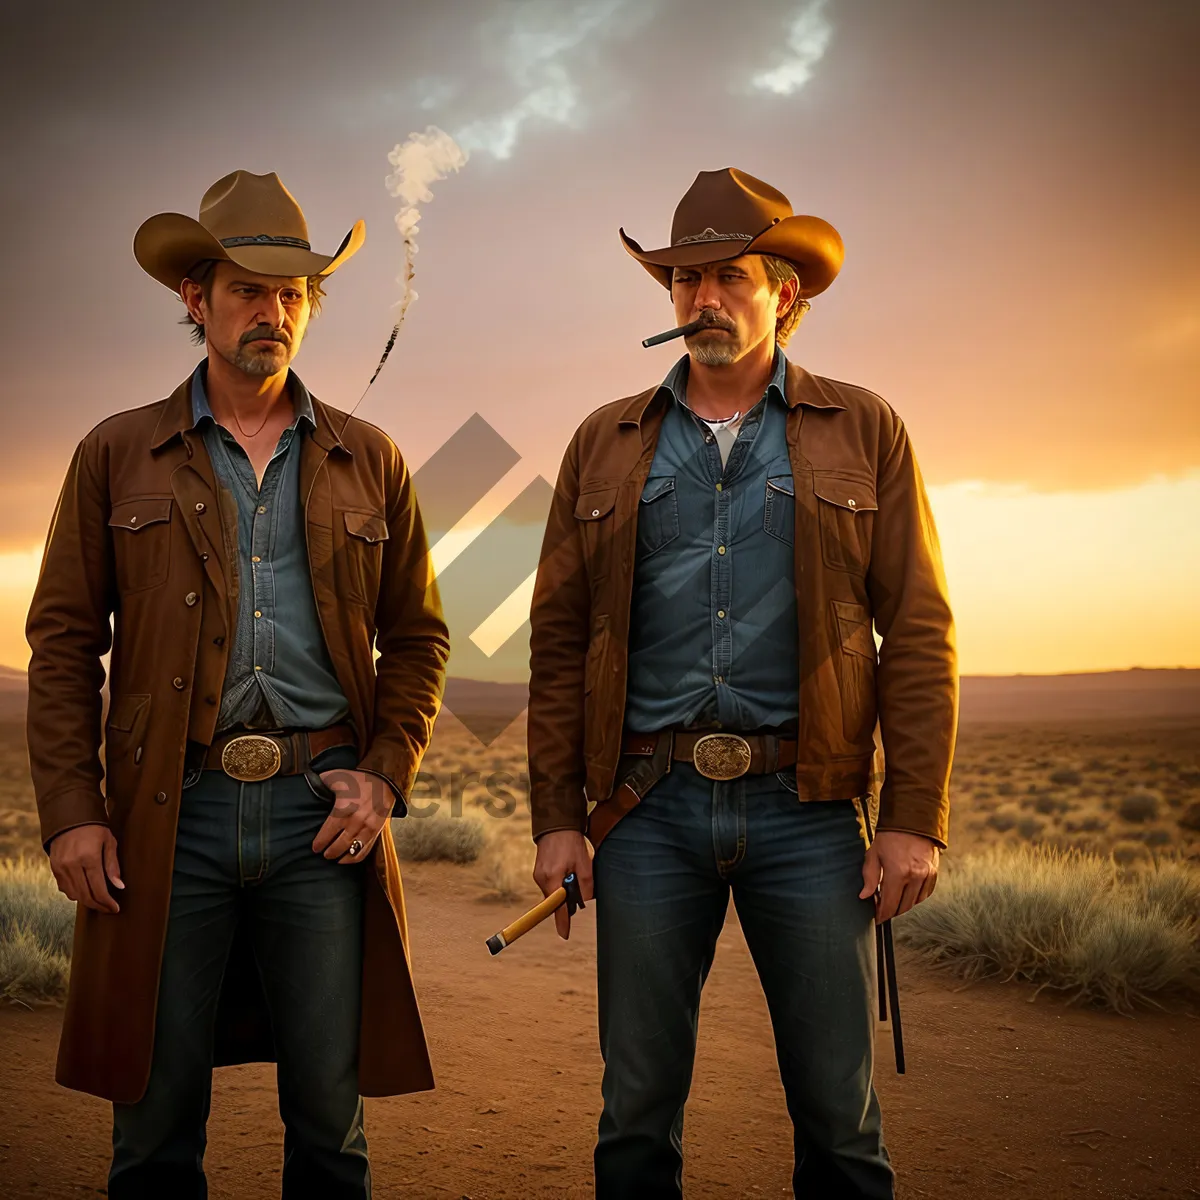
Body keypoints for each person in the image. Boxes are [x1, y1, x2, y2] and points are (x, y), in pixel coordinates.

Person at [528, 167, 957, 1198]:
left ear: (786, 295)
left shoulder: (866, 430)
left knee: (839, 1121)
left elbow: (923, 630)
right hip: (647, 806)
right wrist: (557, 818)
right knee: (635, 1114)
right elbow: (554, 642)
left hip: (808, 809)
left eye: (728, 277)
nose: (703, 300)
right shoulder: (605, 441)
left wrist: (913, 818)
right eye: (683, 281)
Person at [25, 169, 449, 1199]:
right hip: (175, 814)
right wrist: (74, 814)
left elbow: (420, 638)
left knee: (329, 1121)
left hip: (323, 815)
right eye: (250, 288)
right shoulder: (116, 453)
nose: (274, 312)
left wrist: (383, 777)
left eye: (294, 293)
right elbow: (65, 642)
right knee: (156, 1122)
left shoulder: (370, 458)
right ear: (194, 299)